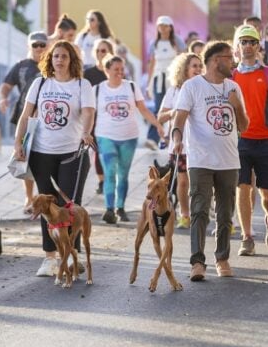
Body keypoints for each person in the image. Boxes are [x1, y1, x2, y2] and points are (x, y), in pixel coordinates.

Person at [13, 41, 95, 277]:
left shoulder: (82, 85)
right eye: (56, 56)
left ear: (72, 60)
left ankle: (71, 256)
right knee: (45, 206)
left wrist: (87, 132)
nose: (60, 60)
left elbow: (89, 112)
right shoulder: (39, 83)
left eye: (64, 56)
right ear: (50, 59)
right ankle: (49, 257)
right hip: (42, 152)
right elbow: (26, 115)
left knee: (69, 205)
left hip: (72, 152)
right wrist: (18, 143)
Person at [171, 41, 249, 281]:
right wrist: (176, 139)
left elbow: (244, 127)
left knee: (225, 214)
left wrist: (236, 107)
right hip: (200, 159)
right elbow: (179, 118)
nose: (233, 62)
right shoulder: (192, 87)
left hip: (228, 160)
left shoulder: (234, 87)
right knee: (199, 210)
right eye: (229, 58)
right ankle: (197, 262)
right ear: (216, 60)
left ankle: (222, 258)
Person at [231, 24, 268, 256]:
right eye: (243, 42)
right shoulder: (230, 76)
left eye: (252, 42)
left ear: (258, 46)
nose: (248, 46)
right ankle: (247, 236)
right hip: (240, 140)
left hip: (265, 139)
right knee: (243, 188)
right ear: (238, 46)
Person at [96, 55, 165, 223]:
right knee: (110, 171)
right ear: (106, 70)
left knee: (123, 173)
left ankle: (120, 208)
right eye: (116, 70)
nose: (120, 73)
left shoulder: (131, 87)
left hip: (129, 137)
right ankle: (109, 209)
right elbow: (88, 112)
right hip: (105, 136)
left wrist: (157, 124)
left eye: (122, 69)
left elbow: (143, 109)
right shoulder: (97, 90)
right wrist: (83, 132)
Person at [0, 31, 49, 210]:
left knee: (44, 159)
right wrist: (3, 98)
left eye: (42, 44)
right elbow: (5, 86)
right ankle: (29, 198)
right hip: (24, 117)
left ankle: (45, 198)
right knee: (25, 158)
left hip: (47, 120)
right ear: (29, 46)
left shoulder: (52, 66)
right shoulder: (21, 66)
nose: (39, 48)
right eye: (35, 45)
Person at [157, 52, 204, 229]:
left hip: (200, 143)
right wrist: (174, 112)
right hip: (179, 144)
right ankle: (185, 214)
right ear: (184, 69)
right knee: (183, 182)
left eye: (200, 66)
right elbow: (160, 117)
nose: (198, 69)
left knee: (199, 182)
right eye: (194, 66)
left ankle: (200, 213)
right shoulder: (174, 90)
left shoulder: (205, 87)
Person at [145, 16, 186, 149]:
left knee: (173, 107)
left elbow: (182, 59)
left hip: (172, 80)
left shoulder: (177, 42)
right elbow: (152, 63)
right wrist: (149, 83)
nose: (162, 28)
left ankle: (169, 137)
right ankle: (152, 137)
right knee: (159, 108)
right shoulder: (154, 43)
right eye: (160, 25)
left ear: (170, 27)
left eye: (165, 25)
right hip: (159, 79)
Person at [82, 39, 115, 195]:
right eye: (98, 51)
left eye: (104, 50)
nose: (100, 54)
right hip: (94, 115)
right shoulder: (87, 73)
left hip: (111, 117)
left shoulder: (115, 72)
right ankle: (102, 181)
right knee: (97, 150)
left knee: (110, 150)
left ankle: (111, 178)